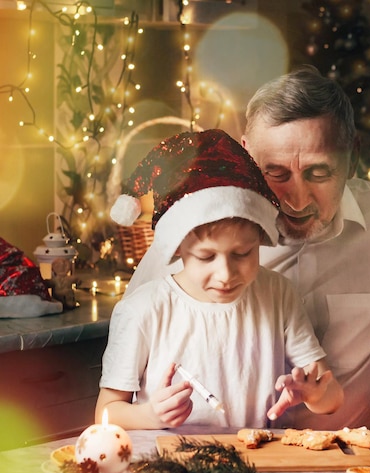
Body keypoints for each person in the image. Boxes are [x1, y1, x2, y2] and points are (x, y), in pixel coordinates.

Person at [125, 66, 370, 429]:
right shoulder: (193, 230)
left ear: (352, 158)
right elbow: (123, 384)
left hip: (342, 470)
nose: (297, 201)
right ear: (245, 157)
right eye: (276, 174)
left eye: (319, 174)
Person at [97, 129, 343, 430]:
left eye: (242, 254)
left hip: (251, 463)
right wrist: (150, 415)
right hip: (169, 468)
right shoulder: (143, 310)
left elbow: (332, 398)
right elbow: (106, 413)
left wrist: (314, 395)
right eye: (206, 257)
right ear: (179, 249)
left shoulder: (278, 294)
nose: (226, 274)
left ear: (262, 240)